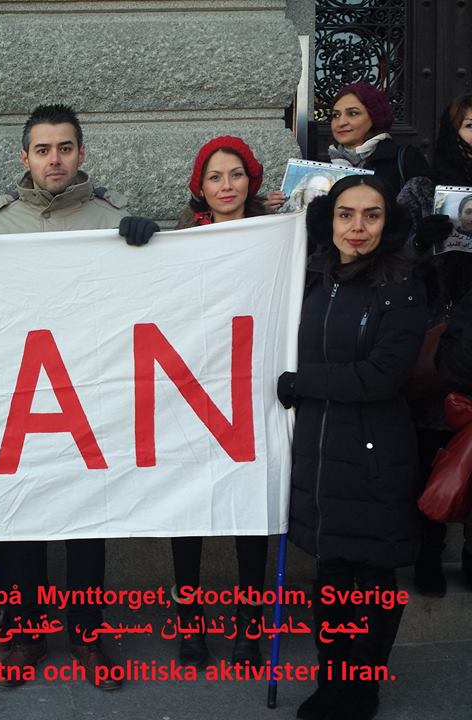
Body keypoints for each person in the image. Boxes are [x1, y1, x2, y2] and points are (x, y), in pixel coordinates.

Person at [0, 104, 159, 691]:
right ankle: (25, 634)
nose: (54, 159)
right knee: (20, 520)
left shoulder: (111, 220)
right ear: (25, 158)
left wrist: (149, 245)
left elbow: (153, 296)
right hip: (16, 397)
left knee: (88, 522)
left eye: (65, 148)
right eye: (43, 150)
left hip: (88, 396)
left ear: (81, 153)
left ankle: (87, 636)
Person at [277, 175, 425, 720]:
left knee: (374, 578)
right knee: (333, 577)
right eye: (346, 214)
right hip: (320, 455)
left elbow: (384, 375)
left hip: (373, 455)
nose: (357, 227)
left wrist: (303, 383)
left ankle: (363, 688)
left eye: (371, 215)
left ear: (388, 223)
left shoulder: (402, 286)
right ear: (329, 221)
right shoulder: (314, 279)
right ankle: (332, 682)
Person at [171, 135, 270, 667]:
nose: (226, 185)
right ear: (200, 187)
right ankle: (189, 619)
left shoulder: (276, 237)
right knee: (189, 511)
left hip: (252, 389)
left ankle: (250, 622)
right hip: (193, 390)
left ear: (251, 181)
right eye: (214, 177)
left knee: (249, 510)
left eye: (235, 174)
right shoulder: (181, 243)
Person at [397, 94, 472, 596]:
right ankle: (428, 551)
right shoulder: (424, 188)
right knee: (431, 445)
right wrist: (422, 240)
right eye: (469, 125)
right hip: (440, 334)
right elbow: (394, 253)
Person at [328, 82, 430, 196]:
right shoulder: (323, 164)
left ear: (374, 117)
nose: (341, 122)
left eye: (353, 113)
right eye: (336, 115)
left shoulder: (407, 159)